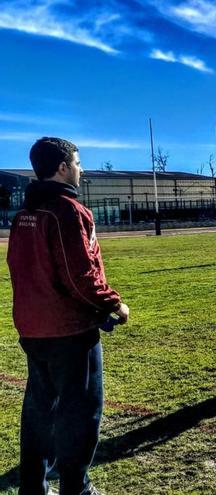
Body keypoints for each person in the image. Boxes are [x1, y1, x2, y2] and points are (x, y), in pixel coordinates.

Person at [7, 137, 130, 495]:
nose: (81, 168)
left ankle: (33, 487)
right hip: (70, 332)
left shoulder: (23, 216)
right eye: (77, 162)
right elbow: (80, 276)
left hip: (34, 329)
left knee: (39, 412)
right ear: (62, 167)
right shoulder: (68, 211)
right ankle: (77, 488)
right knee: (80, 414)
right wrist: (113, 304)